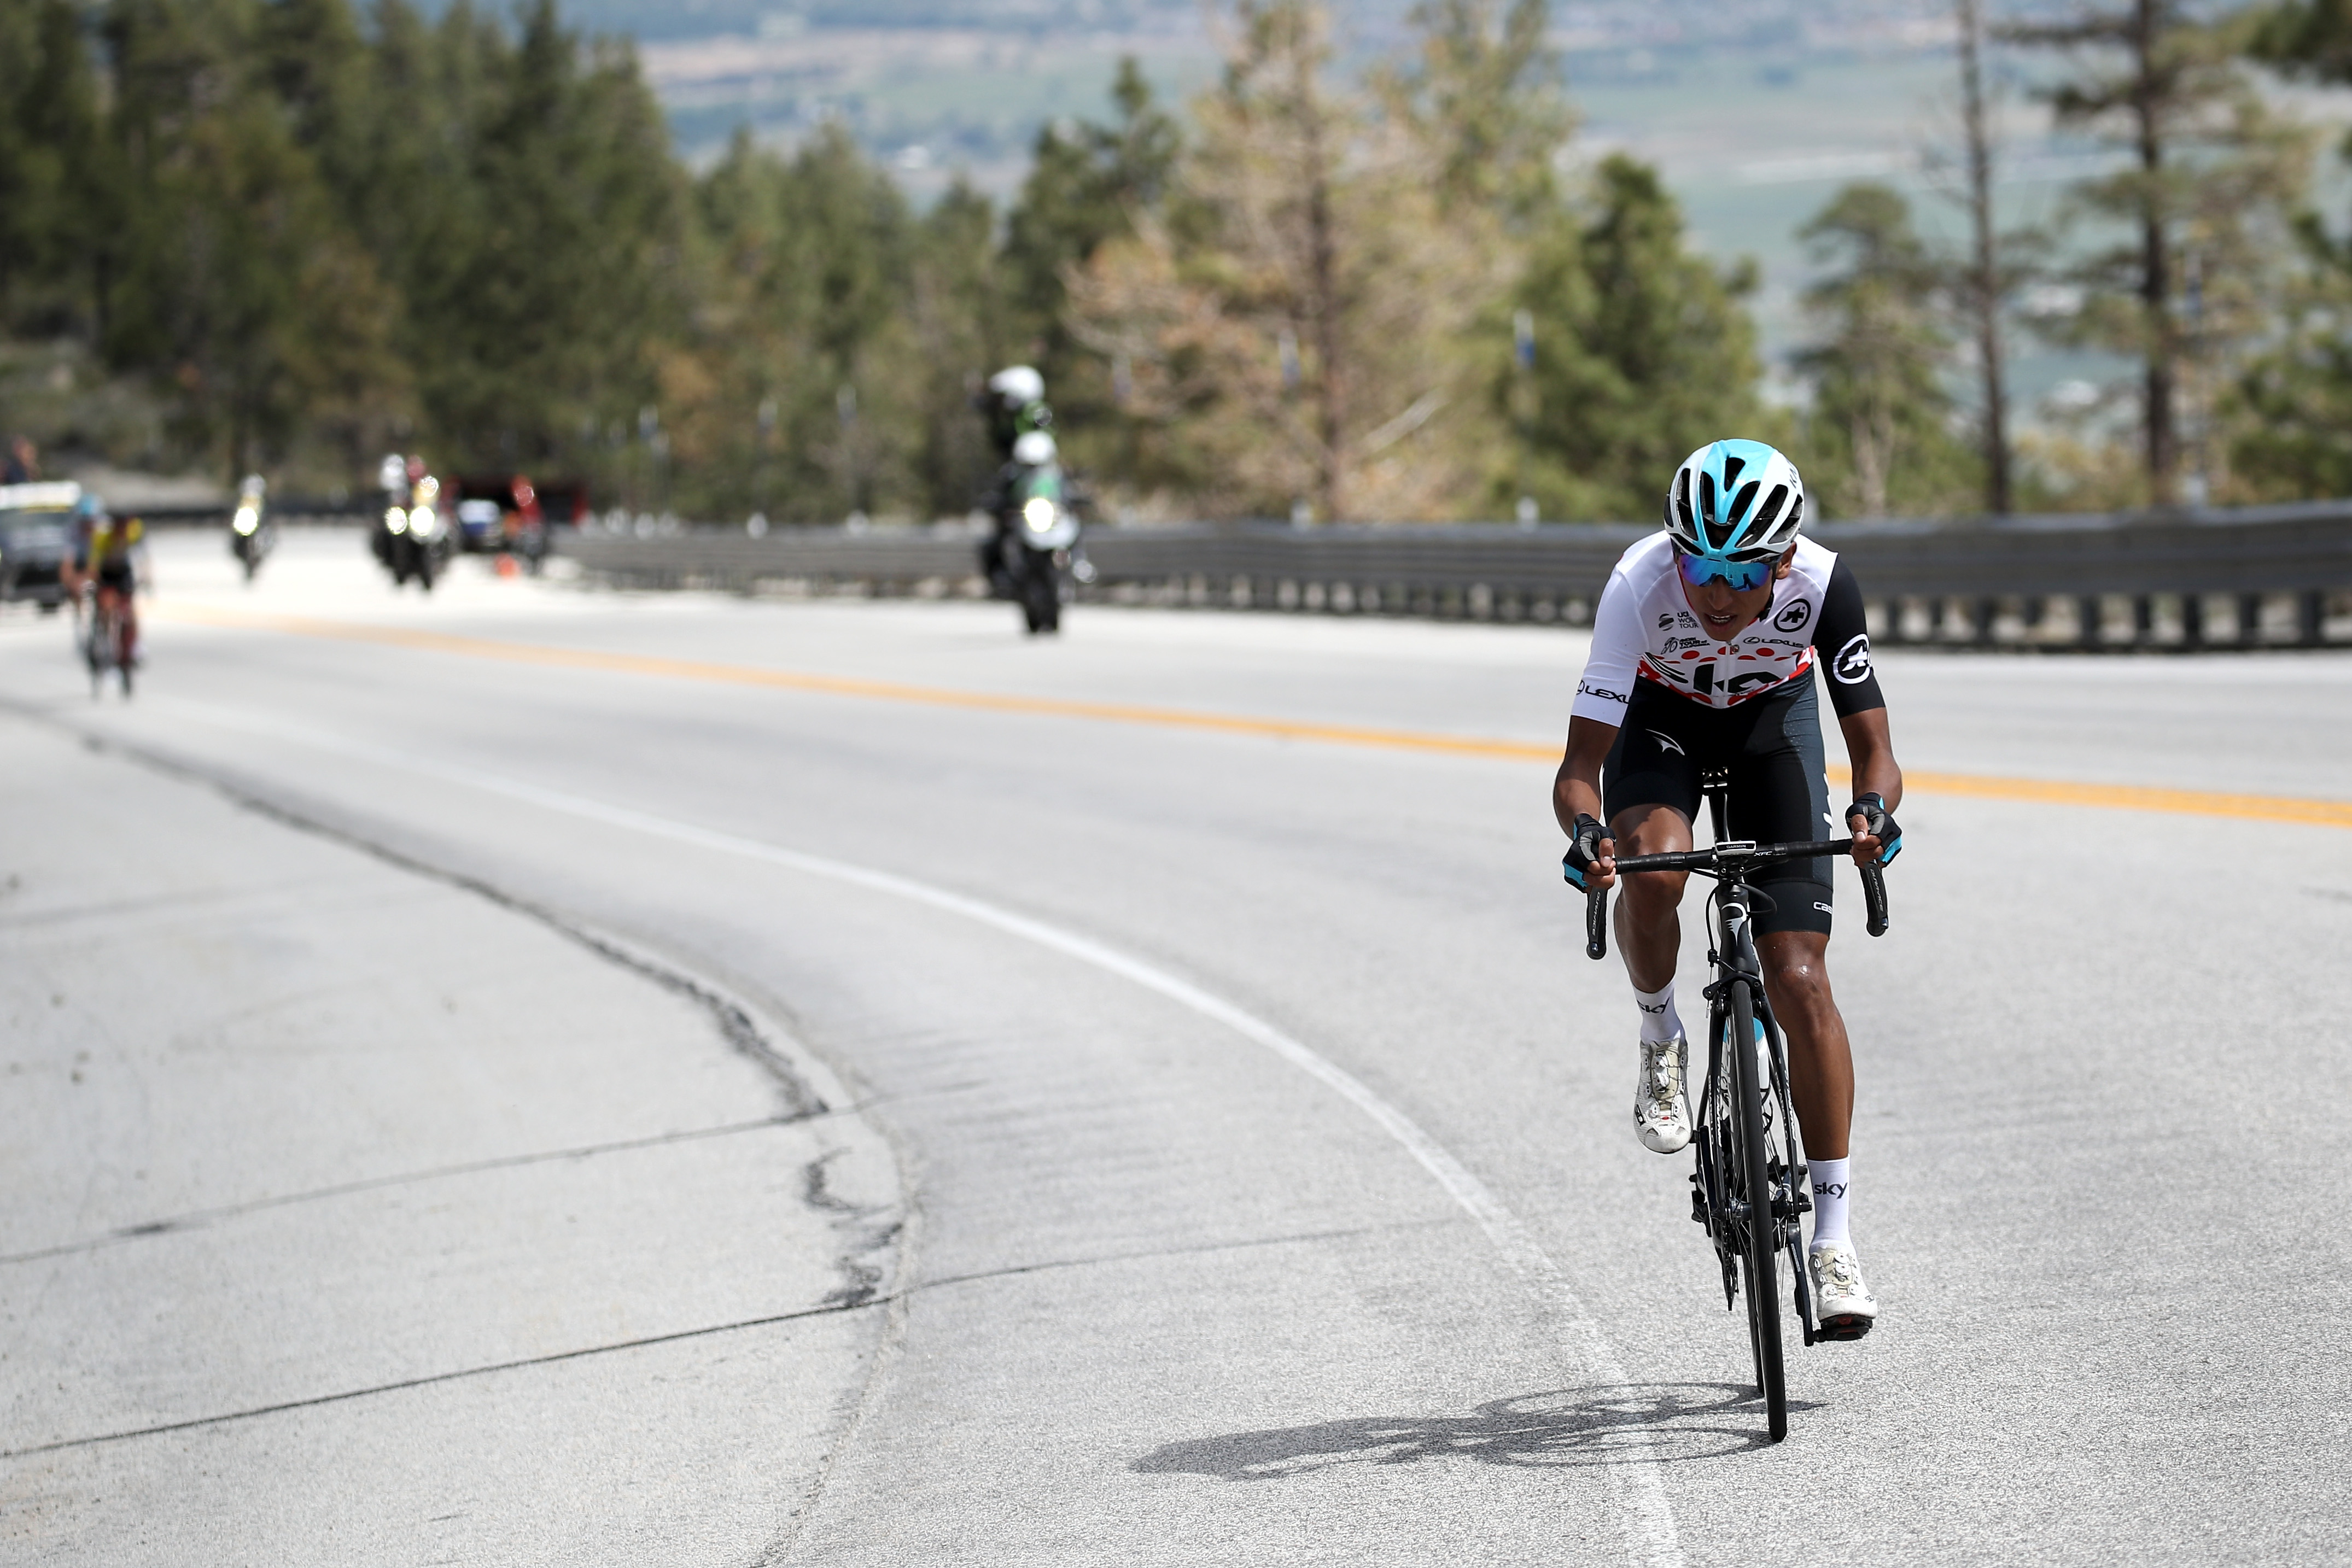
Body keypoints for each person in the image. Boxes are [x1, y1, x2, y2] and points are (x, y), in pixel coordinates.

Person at [1554, 438, 1903, 1339]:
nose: (1712, 590)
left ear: (1781, 560)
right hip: (1659, 724)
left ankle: (1832, 1239)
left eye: (1738, 571)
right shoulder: (1638, 582)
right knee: (1657, 866)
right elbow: (1579, 768)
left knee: (1800, 979)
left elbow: (1873, 749)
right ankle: (1659, 1028)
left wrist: (1870, 810)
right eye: (1696, 563)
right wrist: (1587, 832)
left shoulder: (1824, 586)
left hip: (1768, 730)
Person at [976, 366, 1053, 596]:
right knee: (998, 522)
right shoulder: (1007, 421)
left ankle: (1078, 560)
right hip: (1019, 486)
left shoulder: (1036, 414)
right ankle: (1002, 574)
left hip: (1042, 485)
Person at [63, 494, 144, 666]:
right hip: (102, 572)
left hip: (122, 571)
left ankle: (135, 647)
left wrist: (146, 575)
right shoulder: (100, 536)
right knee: (104, 604)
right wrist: (77, 582)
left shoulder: (134, 530)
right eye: (85, 522)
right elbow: (88, 565)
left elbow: (142, 555)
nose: (89, 526)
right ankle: (97, 634)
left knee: (130, 610)